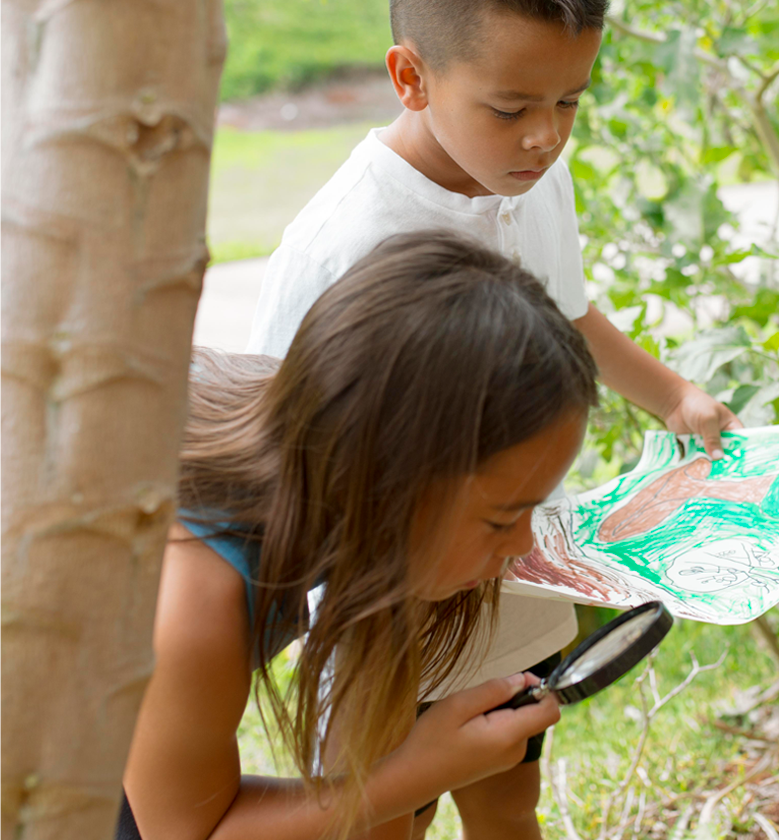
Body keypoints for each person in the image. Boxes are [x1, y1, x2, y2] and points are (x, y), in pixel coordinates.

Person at [247, 0, 740, 838]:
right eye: (512, 104)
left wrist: (672, 394)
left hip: (510, 566)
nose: (546, 134)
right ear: (411, 77)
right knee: (381, 808)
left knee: (510, 790)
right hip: (386, 604)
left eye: (568, 101)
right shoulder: (352, 247)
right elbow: (299, 459)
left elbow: (570, 309)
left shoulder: (525, 170)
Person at [118, 232, 599, 840]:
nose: (523, 546)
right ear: (387, 480)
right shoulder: (191, 596)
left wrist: (402, 775)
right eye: (501, 518)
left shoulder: (336, 441)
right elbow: (186, 833)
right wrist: (421, 771)